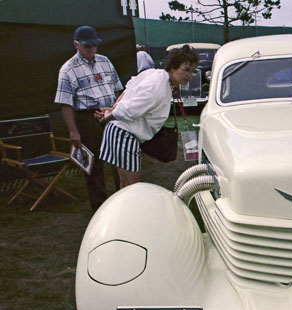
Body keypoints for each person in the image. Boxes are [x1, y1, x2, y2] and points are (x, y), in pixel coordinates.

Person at [98, 45, 199, 188]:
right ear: (173, 67)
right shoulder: (157, 85)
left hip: (122, 132)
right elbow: (130, 110)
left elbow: (129, 88)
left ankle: (125, 209)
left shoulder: (155, 74)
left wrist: (112, 108)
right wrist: (108, 116)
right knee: (132, 187)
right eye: (186, 70)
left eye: (193, 71)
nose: (190, 75)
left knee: (125, 185)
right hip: (125, 134)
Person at [55, 25, 123, 211]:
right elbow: (65, 103)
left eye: (94, 45)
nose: (92, 49)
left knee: (119, 159)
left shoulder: (105, 61)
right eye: (87, 46)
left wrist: (116, 109)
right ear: (76, 45)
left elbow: (119, 90)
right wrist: (73, 131)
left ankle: (123, 200)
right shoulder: (68, 69)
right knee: (93, 165)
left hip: (111, 114)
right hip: (88, 118)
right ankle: (100, 207)